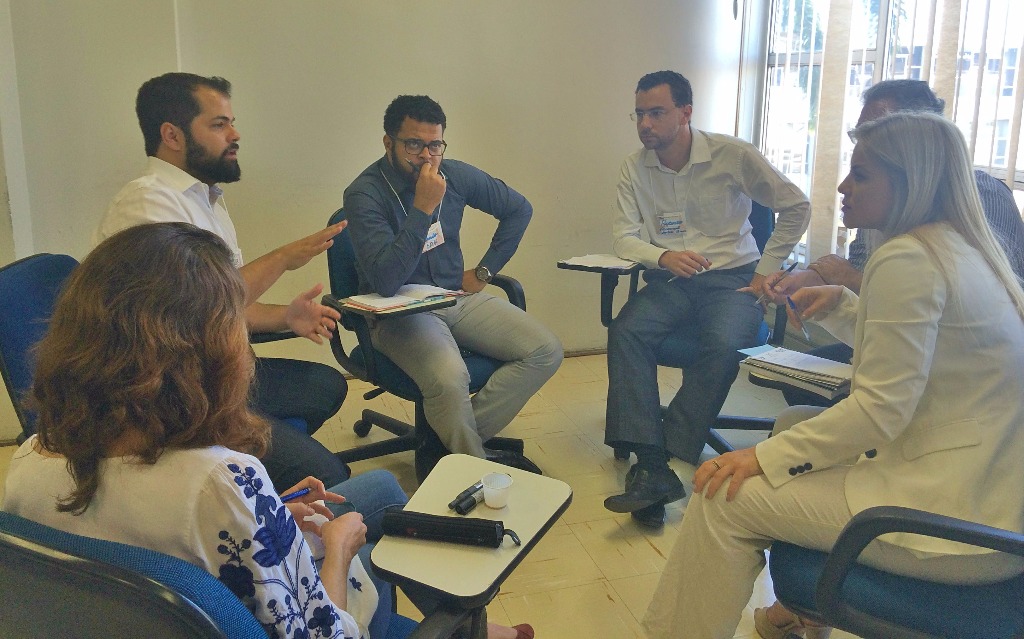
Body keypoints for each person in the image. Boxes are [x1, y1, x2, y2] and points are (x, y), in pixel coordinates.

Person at [3, 223, 534, 639]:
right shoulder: (222, 481)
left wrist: (270, 513)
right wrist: (340, 549)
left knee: (380, 489)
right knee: (365, 534)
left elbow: (159, 533)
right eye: (234, 322)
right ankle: (456, 627)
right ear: (203, 352)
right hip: (302, 614)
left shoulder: (29, 460)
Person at [642, 112, 1024, 639]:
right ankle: (802, 620)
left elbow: (880, 410)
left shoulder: (908, 259)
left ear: (910, 182)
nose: (842, 187)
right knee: (792, 423)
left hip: (950, 526)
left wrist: (759, 459)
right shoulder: (963, 248)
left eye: (860, 175)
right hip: (989, 495)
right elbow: (928, 358)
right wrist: (843, 306)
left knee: (721, 495)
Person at [94, 72, 351, 489]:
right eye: (218, 124)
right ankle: (225, 474)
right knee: (327, 475)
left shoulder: (206, 198)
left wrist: (286, 316)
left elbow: (229, 305)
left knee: (325, 387)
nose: (235, 134)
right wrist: (282, 259)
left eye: (231, 122)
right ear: (172, 135)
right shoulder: (147, 203)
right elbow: (201, 306)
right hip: (170, 397)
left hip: (216, 374)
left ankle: (247, 474)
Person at [603, 70, 811, 527]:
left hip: (732, 279)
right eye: (639, 114)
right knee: (626, 331)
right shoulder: (635, 167)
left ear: (685, 112)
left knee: (725, 343)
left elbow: (797, 205)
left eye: (657, 113)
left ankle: (667, 458)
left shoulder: (731, 155)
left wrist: (766, 269)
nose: (645, 124)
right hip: (672, 279)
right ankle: (653, 465)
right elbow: (624, 236)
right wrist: (662, 256)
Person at [769, 79, 1024, 408]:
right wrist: (818, 279)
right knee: (803, 387)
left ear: (917, 143)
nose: (866, 142)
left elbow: (946, 313)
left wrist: (846, 279)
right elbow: (864, 275)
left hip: (964, 378)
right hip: (921, 349)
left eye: (879, 131)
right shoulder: (891, 212)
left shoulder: (971, 205)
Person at [342, 94, 563, 474]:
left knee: (545, 350)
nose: (427, 157)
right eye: (414, 145)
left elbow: (518, 209)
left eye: (435, 145)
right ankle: (474, 470)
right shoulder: (364, 193)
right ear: (388, 142)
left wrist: (484, 272)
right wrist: (423, 208)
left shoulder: (456, 175)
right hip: (397, 312)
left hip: (452, 298)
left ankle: (449, 447)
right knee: (450, 378)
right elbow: (386, 279)